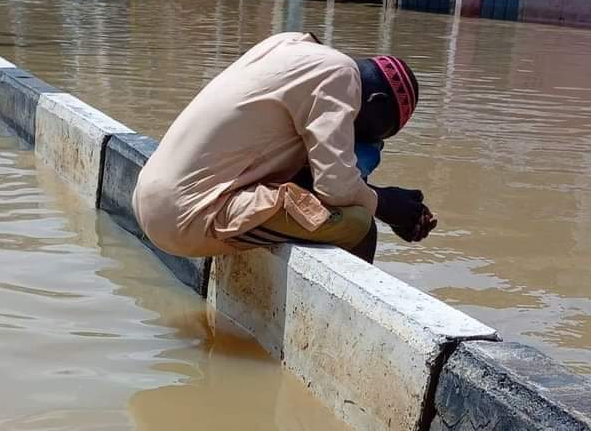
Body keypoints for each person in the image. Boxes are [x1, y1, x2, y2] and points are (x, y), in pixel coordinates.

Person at [132, 32, 437, 263]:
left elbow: (321, 183)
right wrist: (385, 205)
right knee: (359, 226)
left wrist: (387, 204)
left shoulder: (289, 45)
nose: (364, 141)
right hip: (186, 216)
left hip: (150, 195)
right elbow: (337, 189)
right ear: (375, 102)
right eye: (373, 133)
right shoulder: (341, 77)